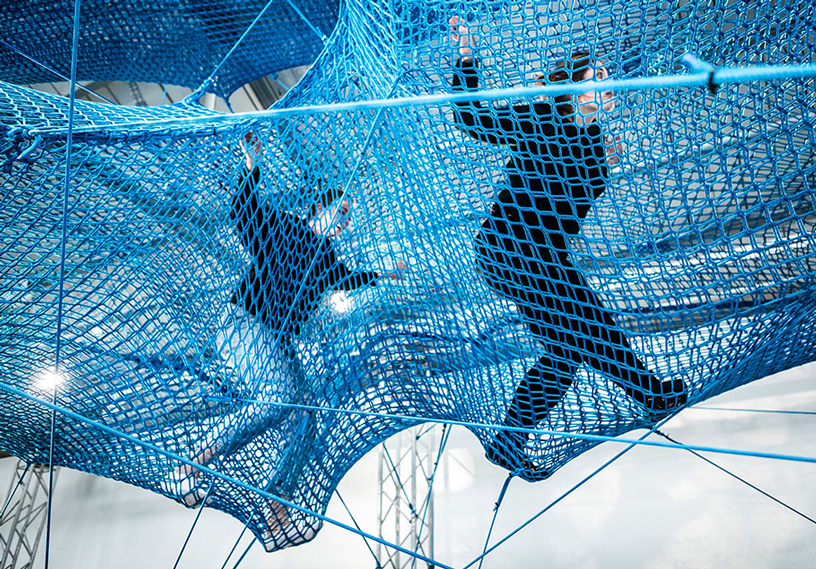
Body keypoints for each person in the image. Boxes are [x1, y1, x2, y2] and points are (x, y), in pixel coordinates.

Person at [448, 16, 686, 477]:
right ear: (574, 86)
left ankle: (511, 438)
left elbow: (568, 220)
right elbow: (469, 116)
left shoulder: (595, 145)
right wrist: (466, 55)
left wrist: (598, 170)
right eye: (598, 75)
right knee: (587, 323)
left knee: (568, 346)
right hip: (508, 250)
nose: (609, 81)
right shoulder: (542, 118)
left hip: (544, 253)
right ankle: (648, 393)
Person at [162, 133, 405, 545]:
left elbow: (350, 279)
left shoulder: (329, 259)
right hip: (242, 325)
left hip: (275, 339)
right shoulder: (287, 230)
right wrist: (252, 167)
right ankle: (189, 465)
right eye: (341, 212)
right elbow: (243, 211)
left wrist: (387, 273)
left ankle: (277, 506)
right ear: (318, 209)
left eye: (349, 217)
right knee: (275, 397)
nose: (346, 222)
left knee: (305, 415)